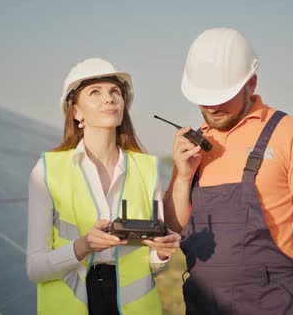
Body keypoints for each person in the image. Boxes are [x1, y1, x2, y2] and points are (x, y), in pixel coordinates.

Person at [164, 28, 293, 315]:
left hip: (271, 303)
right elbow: (175, 226)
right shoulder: (193, 147)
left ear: (251, 83)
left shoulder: (291, 133)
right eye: (205, 97)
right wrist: (182, 177)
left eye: (223, 95)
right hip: (202, 304)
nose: (213, 106)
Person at [27, 58, 181, 315]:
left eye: (115, 92)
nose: (108, 99)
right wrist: (83, 246)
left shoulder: (147, 170)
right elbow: (35, 268)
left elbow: (149, 265)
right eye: (95, 92)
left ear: (123, 107)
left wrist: (163, 254)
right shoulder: (47, 169)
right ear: (76, 112)